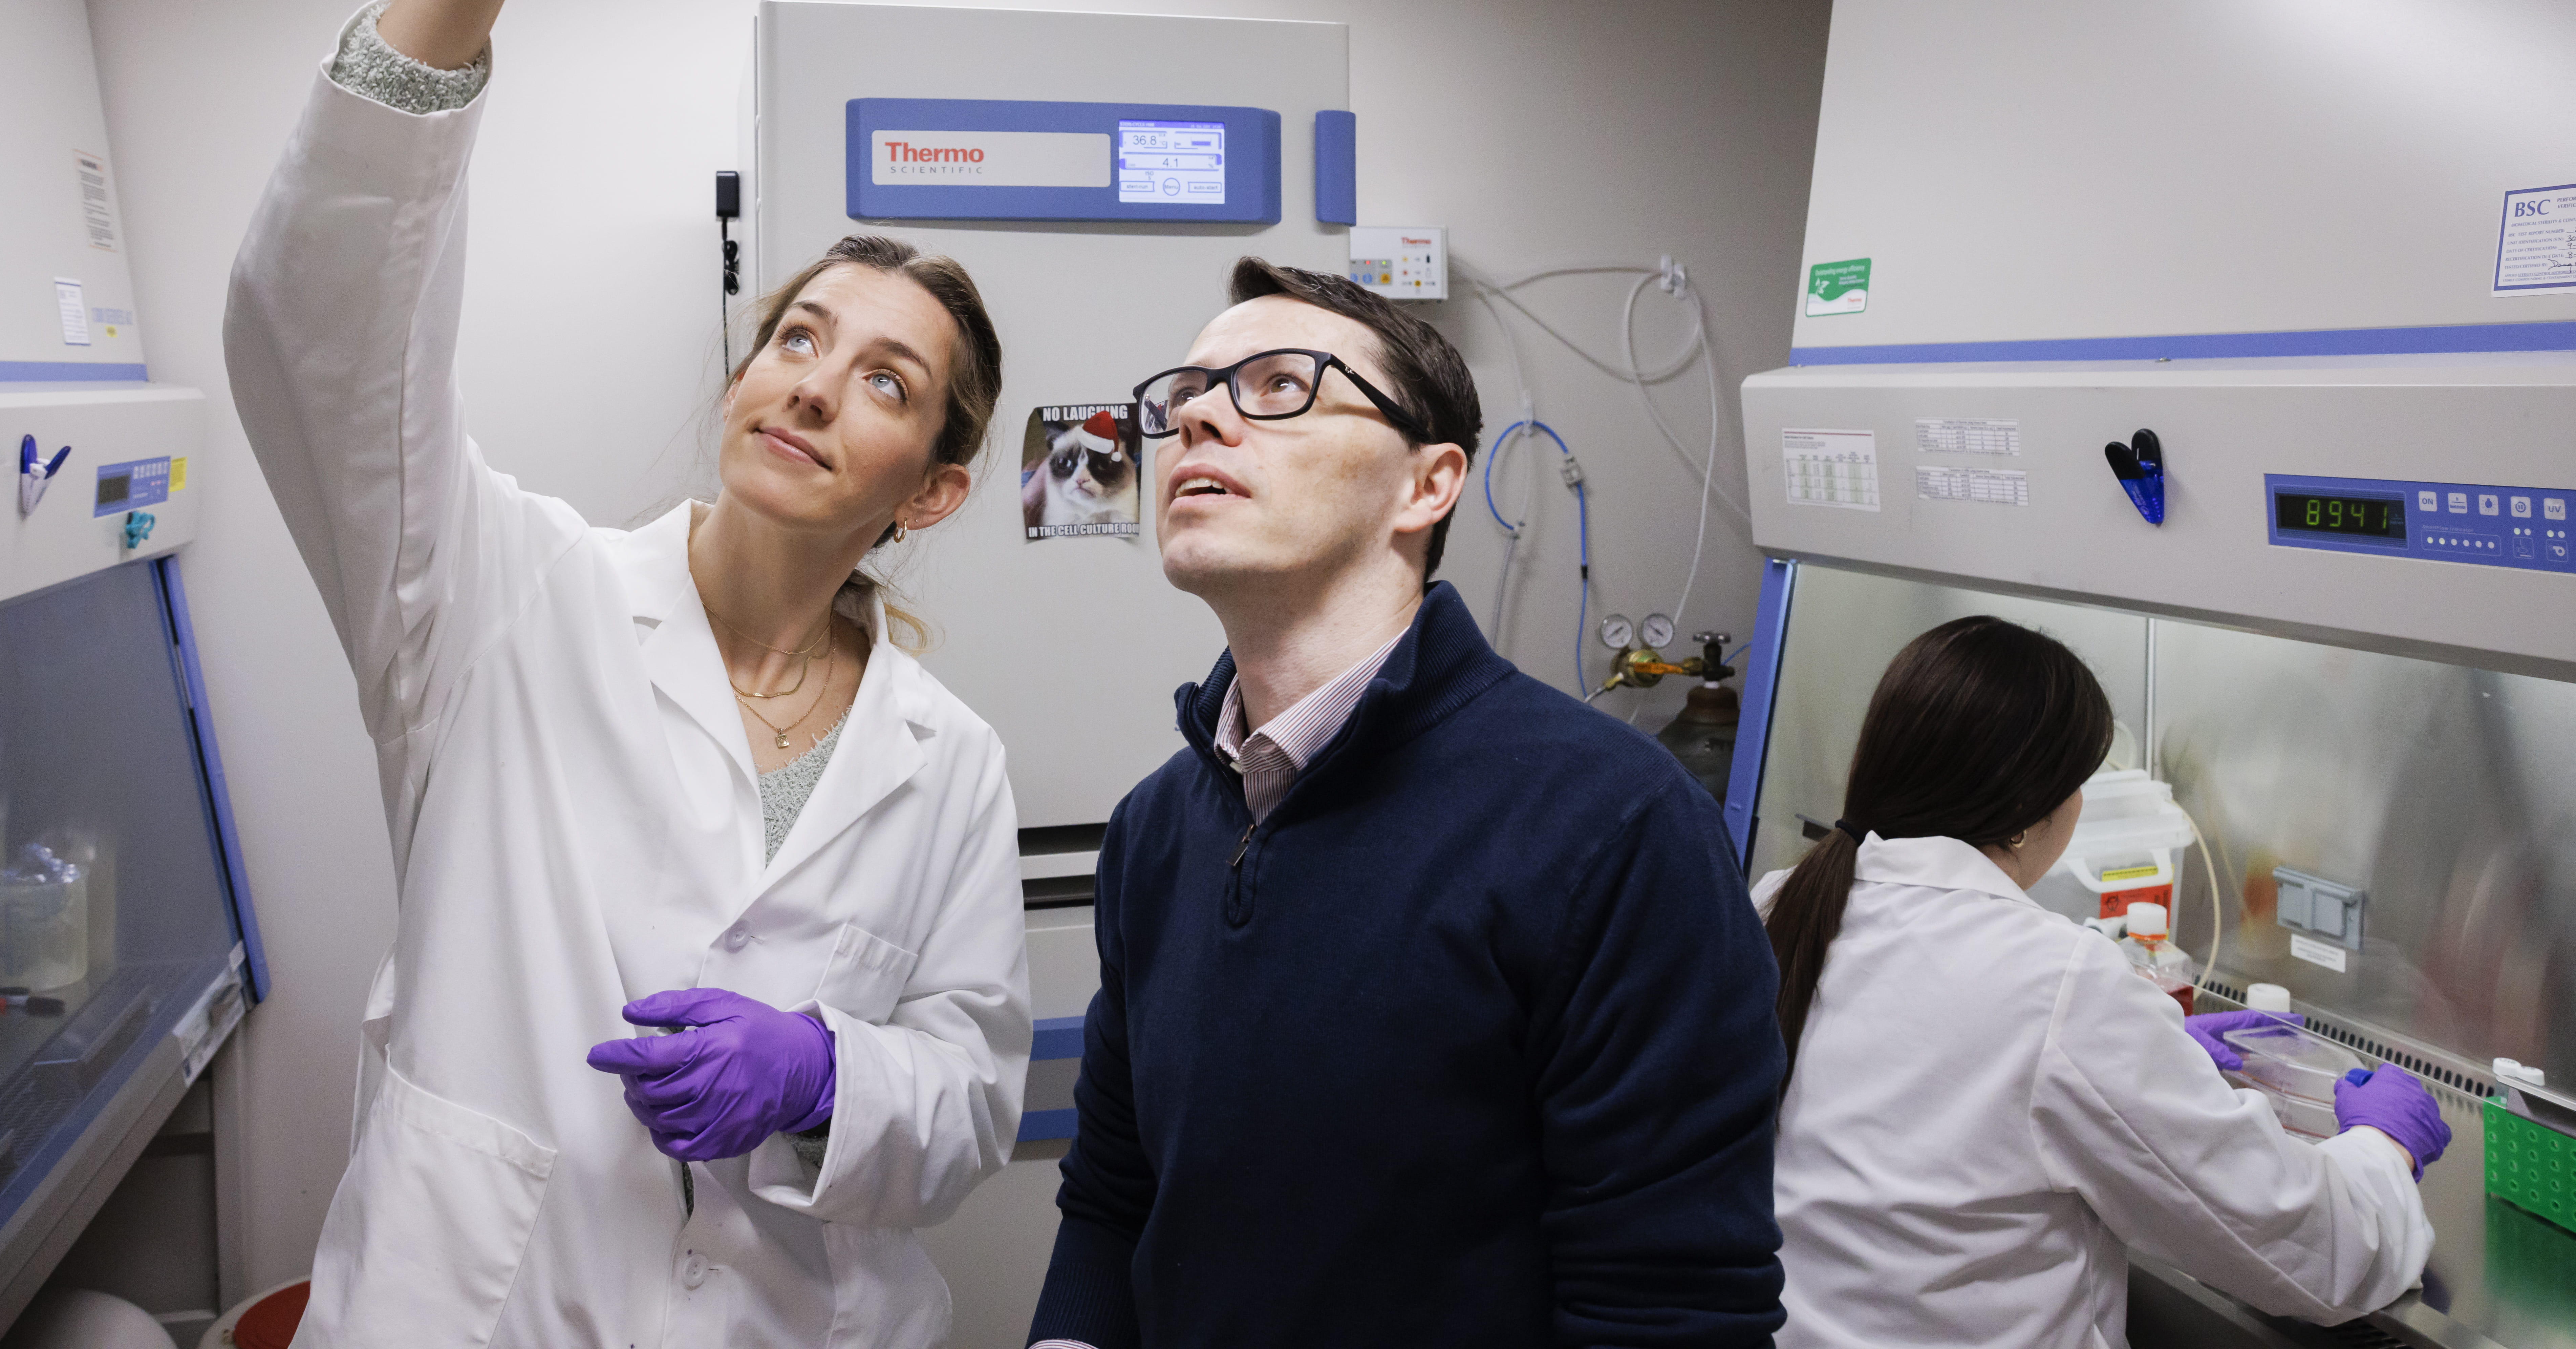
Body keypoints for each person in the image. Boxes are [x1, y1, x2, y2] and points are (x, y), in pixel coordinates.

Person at [226, 0, 1029, 1349]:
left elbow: (967, 1100)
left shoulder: (944, 759)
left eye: (884, 379)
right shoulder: (499, 600)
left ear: (936, 491)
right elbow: (324, 335)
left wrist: (829, 1076)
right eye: (799, 335)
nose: (814, 377)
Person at [1025, 260, 1788, 1349]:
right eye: (1185, 394)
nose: (1195, 417)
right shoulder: (1156, 829)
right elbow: (1114, 1196)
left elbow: (1669, 1310)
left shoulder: (1610, 830)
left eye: (1279, 386)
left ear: (1427, 485)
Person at [1757, 617, 2449, 1348]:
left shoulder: (1777, 905)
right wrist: (2383, 1144)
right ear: (2030, 813)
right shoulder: (2053, 979)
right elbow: (2309, 1251)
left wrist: (2146, 1046)